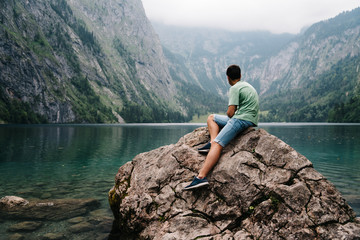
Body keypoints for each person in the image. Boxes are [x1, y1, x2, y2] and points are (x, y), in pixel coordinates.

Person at [184, 64, 259, 190]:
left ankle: (201, 178)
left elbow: (230, 113)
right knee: (212, 117)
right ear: (240, 76)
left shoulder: (235, 88)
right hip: (250, 121)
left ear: (228, 78)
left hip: (240, 120)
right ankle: (212, 141)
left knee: (218, 144)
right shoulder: (248, 86)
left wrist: (232, 118)